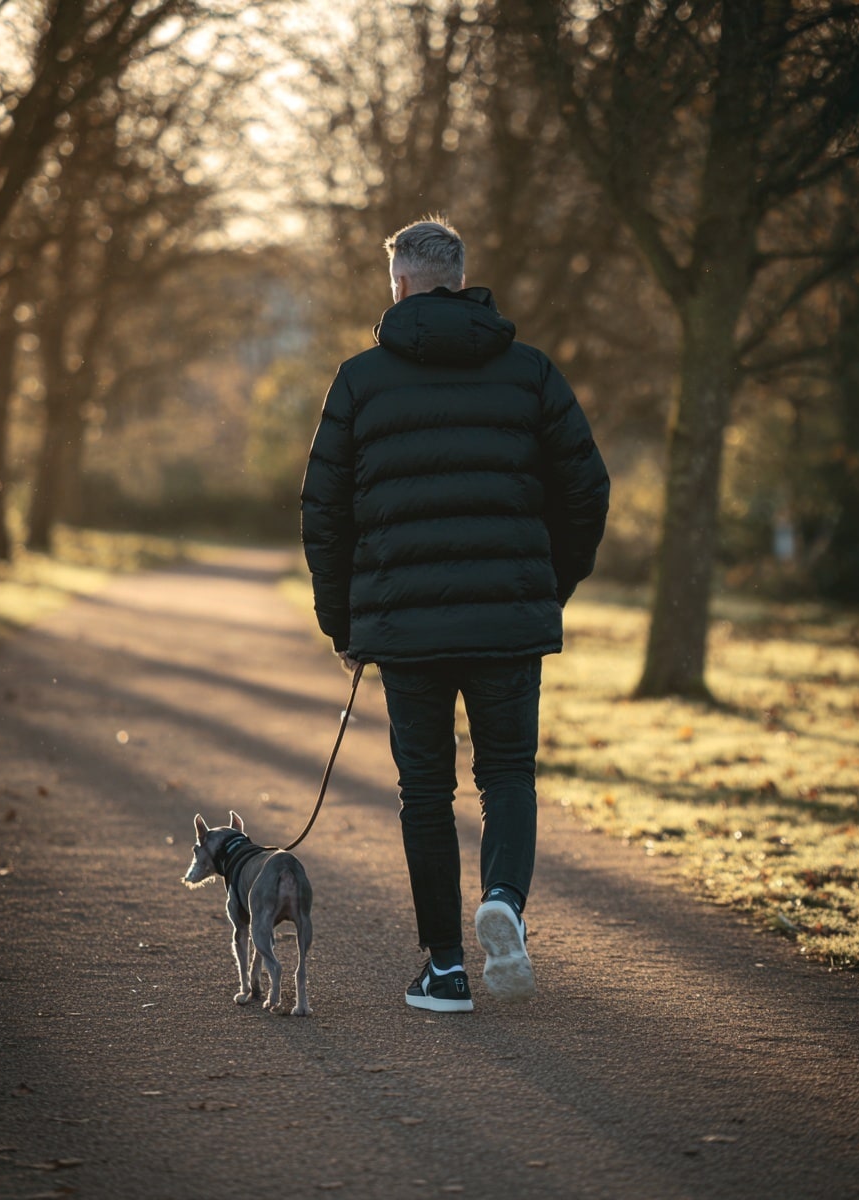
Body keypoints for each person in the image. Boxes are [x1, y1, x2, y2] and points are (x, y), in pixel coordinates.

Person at [300, 217, 609, 1013]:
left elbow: (324, 514)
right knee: (506, 773)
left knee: (426, 791)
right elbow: (586, 491)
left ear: (400, 283)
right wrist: (547, 585)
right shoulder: (532, 373)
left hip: (405, 628)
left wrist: (344, 625)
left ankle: (444, 969)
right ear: (461, 277)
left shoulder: (359, 381)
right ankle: (504, 897)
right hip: (508, 620)